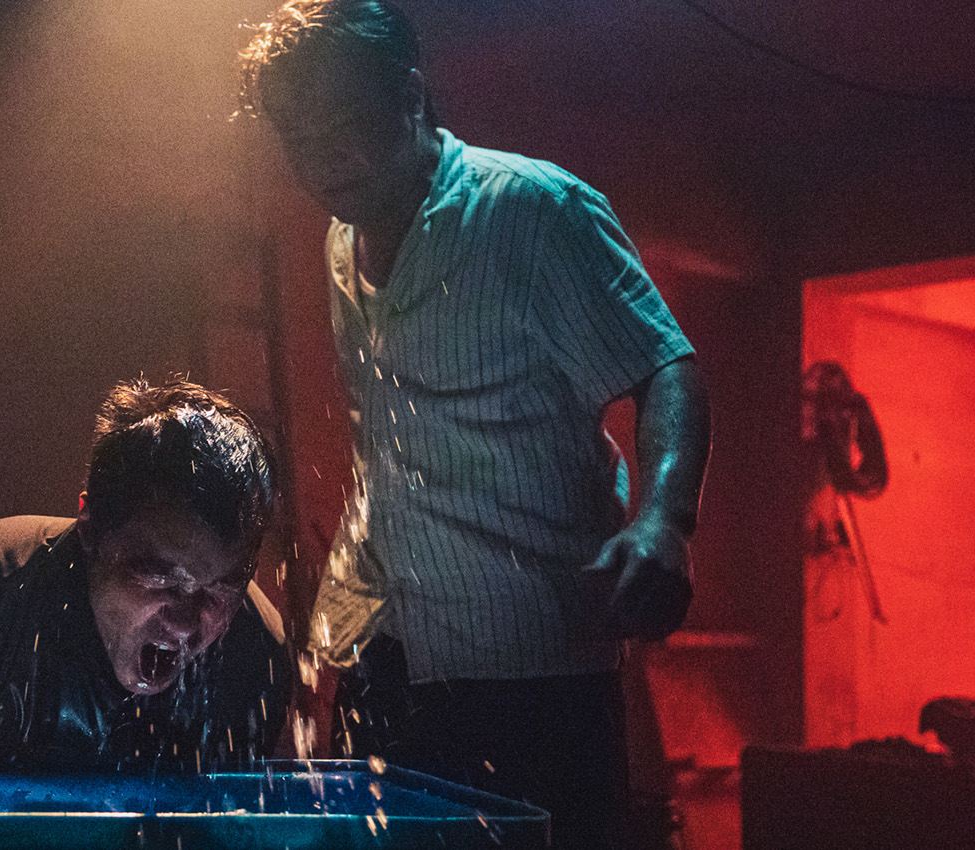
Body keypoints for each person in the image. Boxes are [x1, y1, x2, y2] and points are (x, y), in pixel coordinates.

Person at [238, 2, 711, 847]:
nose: (321, 159)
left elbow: (665, 366)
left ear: (411, 95)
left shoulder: (535, 210)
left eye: (341, 126)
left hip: (535, 671)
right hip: (392, 660)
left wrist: (666, 520)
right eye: (298, 139)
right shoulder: (340, 241)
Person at [0, 379, 293, 771]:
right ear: (90, 525)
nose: (187, 622)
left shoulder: (254, 651)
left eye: (221, 588)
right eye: (161, 578)